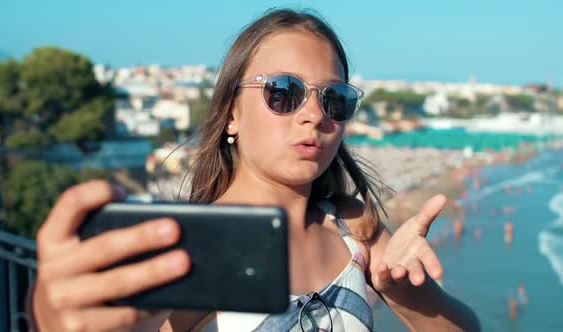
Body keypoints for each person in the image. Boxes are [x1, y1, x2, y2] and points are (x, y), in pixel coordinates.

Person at [28, 8, 480, 332]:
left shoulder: (354, 228)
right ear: (231, 114)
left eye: (335, 99)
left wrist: (407, 294)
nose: (314, 115)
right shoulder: (198, 245)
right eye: (284, 93)